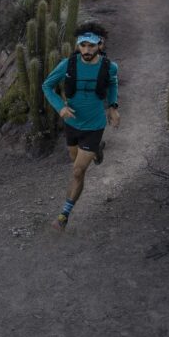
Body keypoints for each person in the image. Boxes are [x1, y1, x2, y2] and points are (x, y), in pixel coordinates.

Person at [41, 22, 120, 231]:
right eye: (83, 45)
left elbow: (112, 84)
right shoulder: (68, 64)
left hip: (94, 125)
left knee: (77, 171)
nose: (86, 50)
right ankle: (96, 152)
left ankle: (63, 215)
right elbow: (46, 86)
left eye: (91, 46)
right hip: (72, 124)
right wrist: (60, 108)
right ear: (78, 45)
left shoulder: (109, 67)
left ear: (100, 45)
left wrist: (113, 107)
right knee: (74, 159)